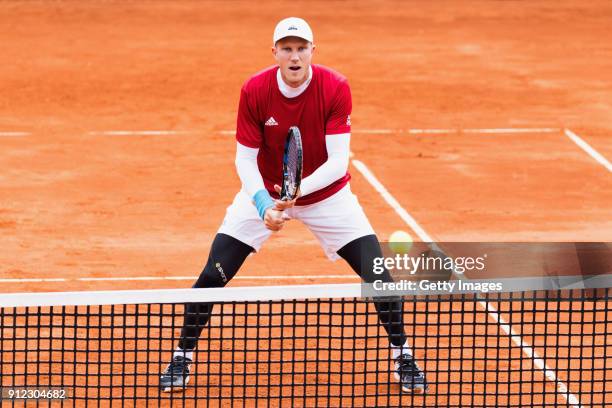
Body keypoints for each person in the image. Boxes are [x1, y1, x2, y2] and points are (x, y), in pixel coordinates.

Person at [159, 17, 427, 394]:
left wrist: (295, 192)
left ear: (312, 51)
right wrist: (263, 202)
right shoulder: (254, 90)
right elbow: (244, 159)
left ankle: (403, 355)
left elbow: (337, 162)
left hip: (328, 197)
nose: (295, 56)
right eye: (287, 48)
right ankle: (182, 357)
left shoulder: (335, 87)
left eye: (302, 48)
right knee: (210, 278)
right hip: (263, 194)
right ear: (275, 53)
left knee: (379, 277)